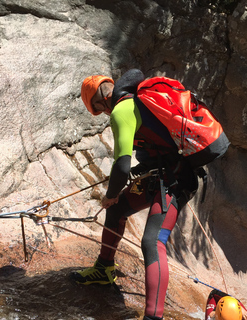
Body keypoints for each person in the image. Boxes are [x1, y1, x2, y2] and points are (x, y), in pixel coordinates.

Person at [72, 69, 199, 320]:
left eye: (99, 110)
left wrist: (110, 194)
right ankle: (103, 269)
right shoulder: (136, 102)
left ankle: (153, 317)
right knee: (118, 210)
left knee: (152, 241)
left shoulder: (121, 110)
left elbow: (121, 165)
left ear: (100, 101)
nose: (103, 114)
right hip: (160, 176)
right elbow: (157, 146)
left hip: (174, 181)